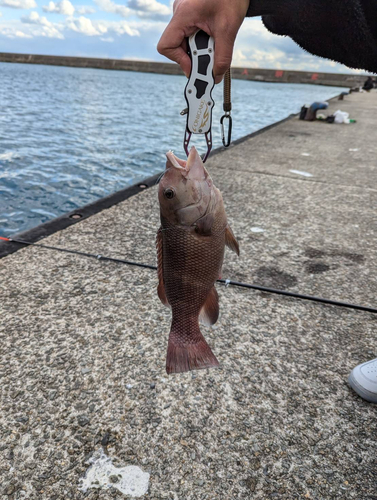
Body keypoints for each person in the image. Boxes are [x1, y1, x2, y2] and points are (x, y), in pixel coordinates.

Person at [158, 0, 377, 403]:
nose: (173, 179)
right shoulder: (200, 220)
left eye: (169, 192)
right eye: (171, 191)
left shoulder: (201, 219)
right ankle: (185, 331)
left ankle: (185, 332)